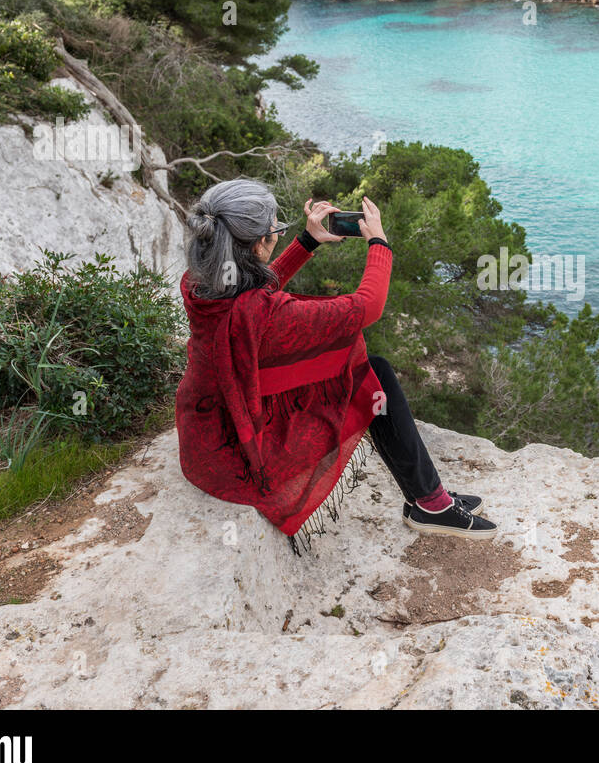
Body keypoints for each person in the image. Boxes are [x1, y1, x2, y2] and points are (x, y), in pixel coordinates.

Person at [174, 177, 497, 544]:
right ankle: (430, 504)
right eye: (276, 230)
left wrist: (307, 242)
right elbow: (367, 307)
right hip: (239, 452)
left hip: (205, 435)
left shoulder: (199, 283)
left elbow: (255, 291)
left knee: (373, 371)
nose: (279, 235)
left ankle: (429, 499)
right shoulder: (264, 313)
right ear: (260, 242)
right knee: (374, 374)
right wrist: (379, 243)